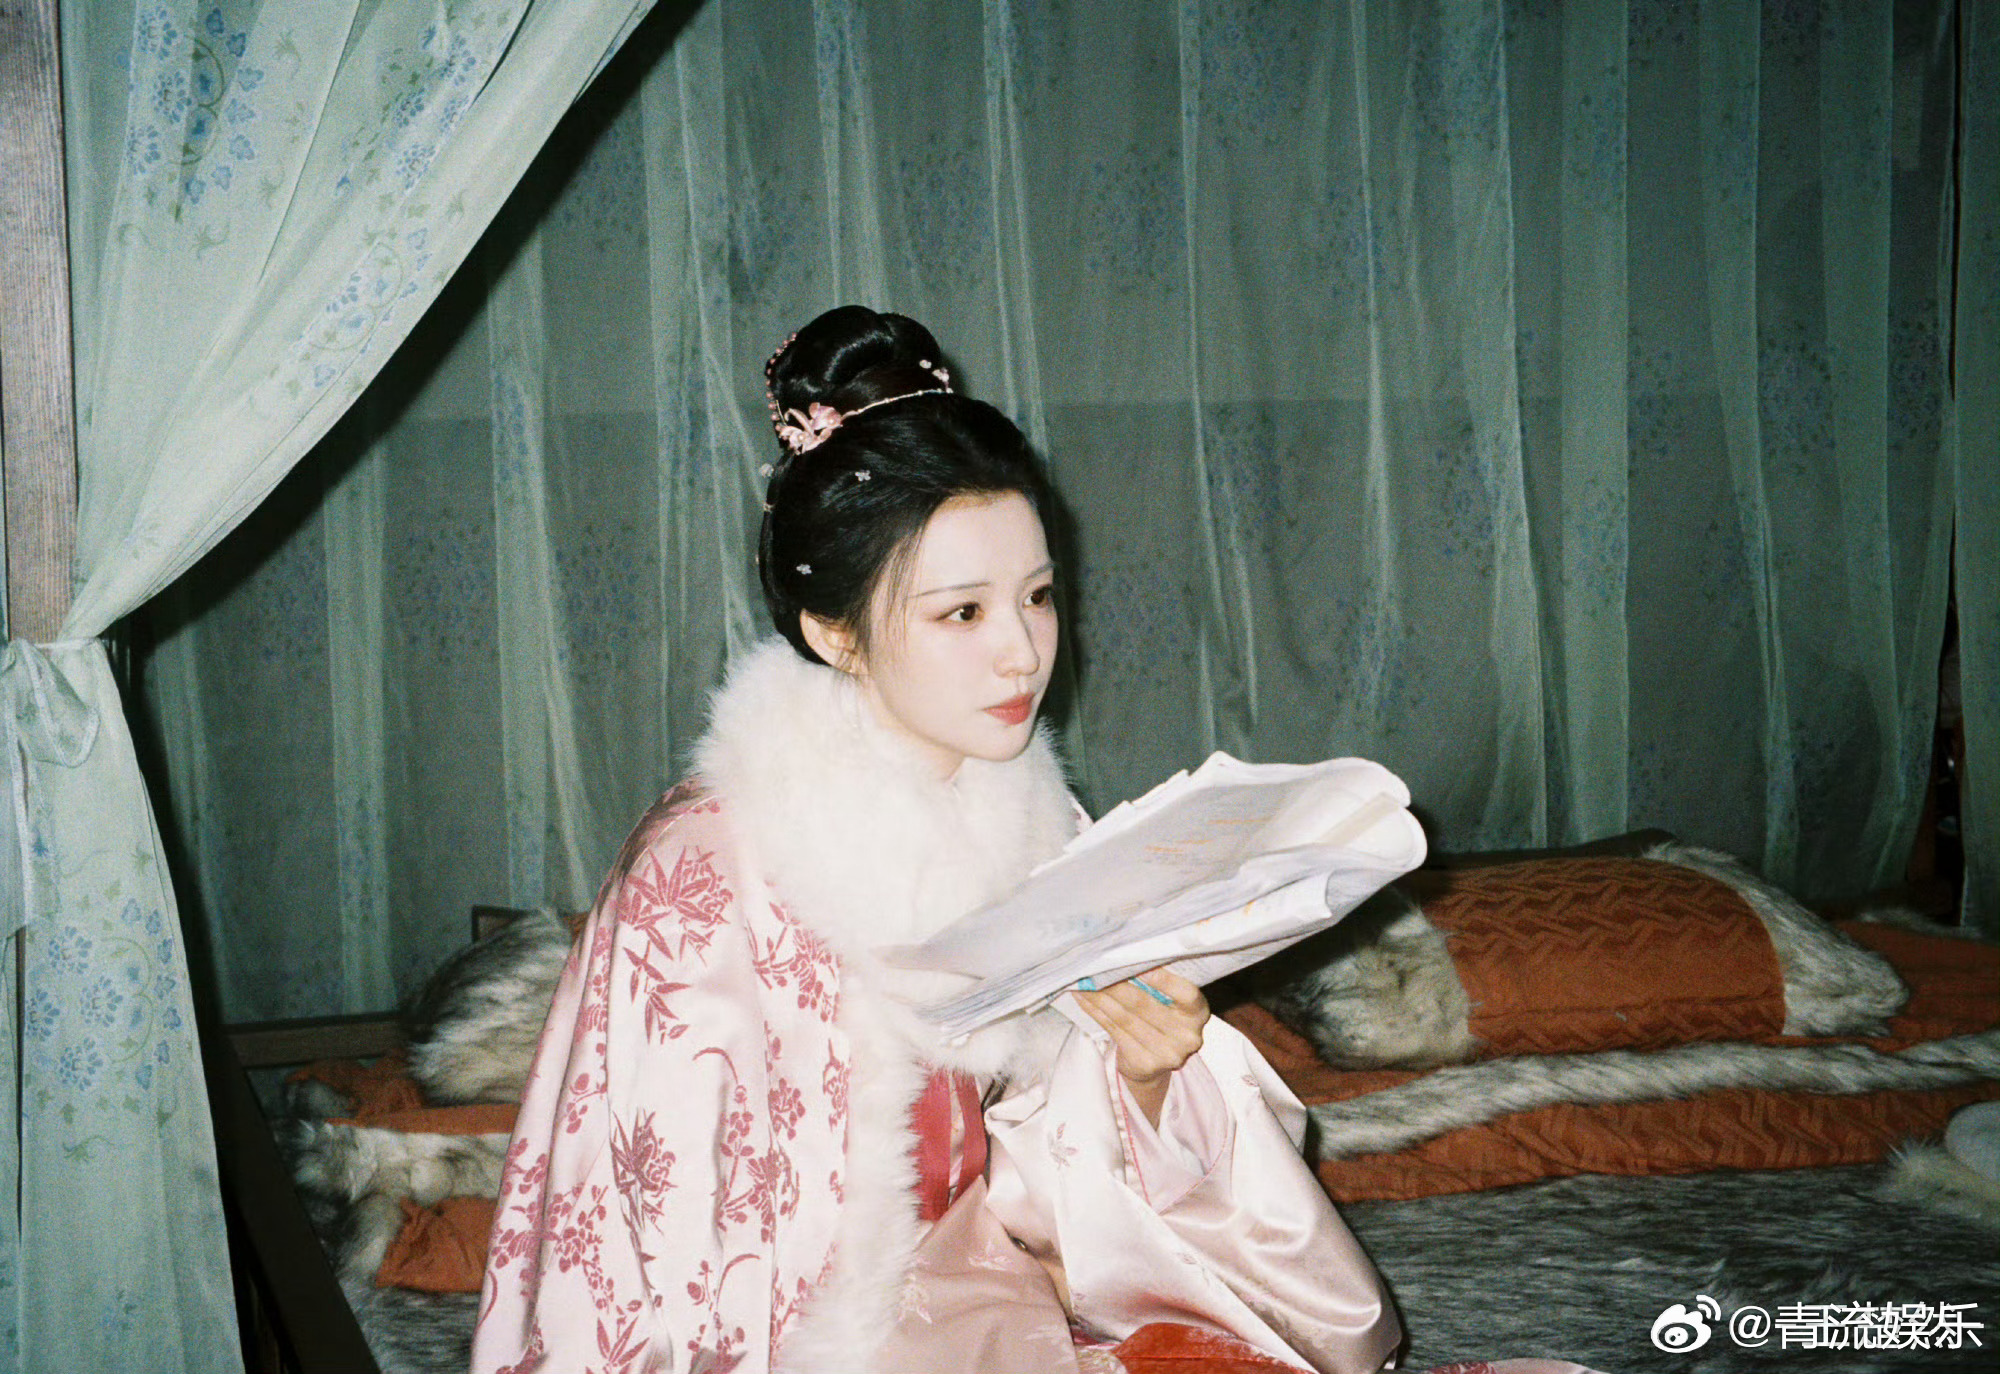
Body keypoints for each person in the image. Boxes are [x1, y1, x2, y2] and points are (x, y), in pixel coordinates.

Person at [470, 306, 1601, 1374]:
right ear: (832, 631)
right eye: (961, 613)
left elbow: (1042, 1157)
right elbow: (645, 1247)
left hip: (985, 1294)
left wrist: (1145, 1076)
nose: (1022, 652)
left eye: (1039, 596)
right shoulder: (703, 872)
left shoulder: (1027, 811)